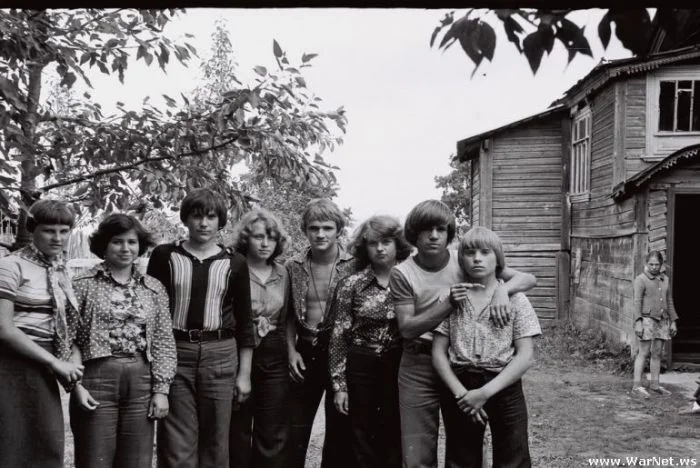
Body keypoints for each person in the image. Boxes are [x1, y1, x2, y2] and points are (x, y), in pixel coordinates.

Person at [388, 199, 537, 468]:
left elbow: (526, 278)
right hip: (426, 361)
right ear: (414, 233)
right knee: (426, 449)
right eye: (426, 229)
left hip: (473, 367)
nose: (434, 236)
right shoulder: (404, 273)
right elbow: (407, 328)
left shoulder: (467, 256)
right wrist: (447, 304)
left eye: (441, 229)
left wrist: (503, 290)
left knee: (491, 447)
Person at [148, 188, 256, 468]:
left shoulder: (235, 262)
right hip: (175, 352)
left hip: (220, 354)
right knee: (176, 442)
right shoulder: (164, 256)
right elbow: (150, 310)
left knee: (216, 441)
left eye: (211, 217)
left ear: (220, 221)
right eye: (197, 216)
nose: (204, 224)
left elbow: (245, 322)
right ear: (185, 219)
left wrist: (244, 375)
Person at [69, 213, 177, 468]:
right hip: (96, 377)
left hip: (141, 379)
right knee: (94, 459)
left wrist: (161, 390)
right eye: (117, 241)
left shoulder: (153, 288)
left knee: (136, 460)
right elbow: (66, 338)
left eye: (132, 242)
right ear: (104, 245)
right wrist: (76, 386)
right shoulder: (82, 284)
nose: (125, 248)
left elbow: (163, 340)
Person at [433, 226, 541, 468]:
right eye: (470, 253)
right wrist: (462, 394)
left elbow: (525, 356)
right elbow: (438, 353)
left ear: (498, 258)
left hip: (503, 384)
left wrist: (484, 393)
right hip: (461, 385)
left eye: (485, 252)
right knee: (461, 458)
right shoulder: (453, 298)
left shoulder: (516, 299)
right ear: (461, 259)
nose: (477, 258)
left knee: (513, 456)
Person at [0, 199, 84, 468]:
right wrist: (54, 363)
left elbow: (64, 327)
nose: (57, 238)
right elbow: (3, 328)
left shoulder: (60, 269)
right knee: (12, 444)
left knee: (46, 443)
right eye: (49, 230)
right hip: (11, 363)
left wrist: (68, 370)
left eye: (64, 231)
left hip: (43, 364)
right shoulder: (11, 266)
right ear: (32, 229)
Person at [328, 215, 413, 468]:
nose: (380, 248)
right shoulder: (351, 284)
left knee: (394, 428)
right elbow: (339, 336)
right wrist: (339, 386)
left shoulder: (411, 280)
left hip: (398, 363)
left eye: (386, 242)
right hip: (361, 363)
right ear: (364, 247)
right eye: (373, 243)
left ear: (398, 244)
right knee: (360, 431)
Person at [286, 198, 354, 468]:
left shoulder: (355, 264)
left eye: (327, 228)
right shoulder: (293, 266)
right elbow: (287, 315)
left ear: (338, 230)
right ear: (305, 230)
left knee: (339, 431)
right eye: (314, 228)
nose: (320, 234)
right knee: (294, 429)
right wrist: (290, 351)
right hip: (304, 352)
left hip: (342, 354)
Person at [229, 209, 292, 468]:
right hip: (238, 347)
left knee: (272, 427)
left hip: (273, 350)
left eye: (271, 238)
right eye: (258, 237)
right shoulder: (233, 268)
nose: (265, 244)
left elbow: (286, 318)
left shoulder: (283, 273)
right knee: (238, 425)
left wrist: (289, 352)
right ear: (246, 239)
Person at [631, 250, 678, 398]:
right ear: (646, 263)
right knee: (643, 352)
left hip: (662, 320)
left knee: (657, 353)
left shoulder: (665, 279)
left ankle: (655, 384)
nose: (654, 267)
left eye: (657, 264)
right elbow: (637, 302)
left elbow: (669, 301)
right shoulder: (641, 279)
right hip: (646, 320)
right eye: (651, 264)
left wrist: (673, 321)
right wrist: (638, 322)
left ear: (661, 264)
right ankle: (636, 386)